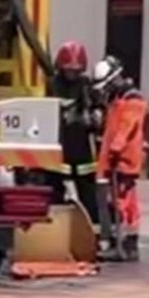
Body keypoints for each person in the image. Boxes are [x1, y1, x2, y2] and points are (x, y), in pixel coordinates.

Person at [92, 56, 148, 262]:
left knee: (121, 204)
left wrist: (116, 149)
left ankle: (124, 246)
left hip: (123, 161)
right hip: (115, 161)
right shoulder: (117, 99)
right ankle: (124, 244)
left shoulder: (132, 100)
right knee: (121, 203)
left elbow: (126, 127)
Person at [48, 40, 101, 226]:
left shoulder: (86, 86)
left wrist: (95, 118)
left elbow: (98, 113)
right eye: (69, 70)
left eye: (76, 70)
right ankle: (56, 230)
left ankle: (93, 231)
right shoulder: (51, 85)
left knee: (88, 194)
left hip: (81, 150)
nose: (72, 73)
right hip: (57, 146)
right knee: (53, 190)